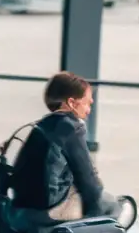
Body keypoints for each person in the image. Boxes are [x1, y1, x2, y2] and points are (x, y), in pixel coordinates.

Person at [10, 71, 122, 224]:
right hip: (48, 207)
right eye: (88, 103)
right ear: (72, 103)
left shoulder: (41, 125)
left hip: (23, 203)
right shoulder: (71, 127)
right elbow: (86, 176)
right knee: (112, 205)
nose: (89, 110)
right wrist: (95, 213)